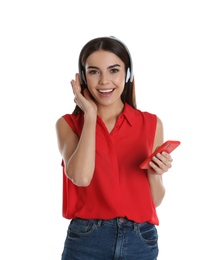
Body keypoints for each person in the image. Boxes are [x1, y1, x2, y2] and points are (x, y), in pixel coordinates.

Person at [55, 36, 173, 260]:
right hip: (87, 240)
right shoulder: (68, 125)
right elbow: (80, 177)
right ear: (82, 78)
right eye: (94, 71)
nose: (104, 81)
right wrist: (90, 115)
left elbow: (155, 200)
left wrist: (155, 173)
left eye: (113, 70)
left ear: (127, 74)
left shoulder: (151, 124)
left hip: (140, 240)